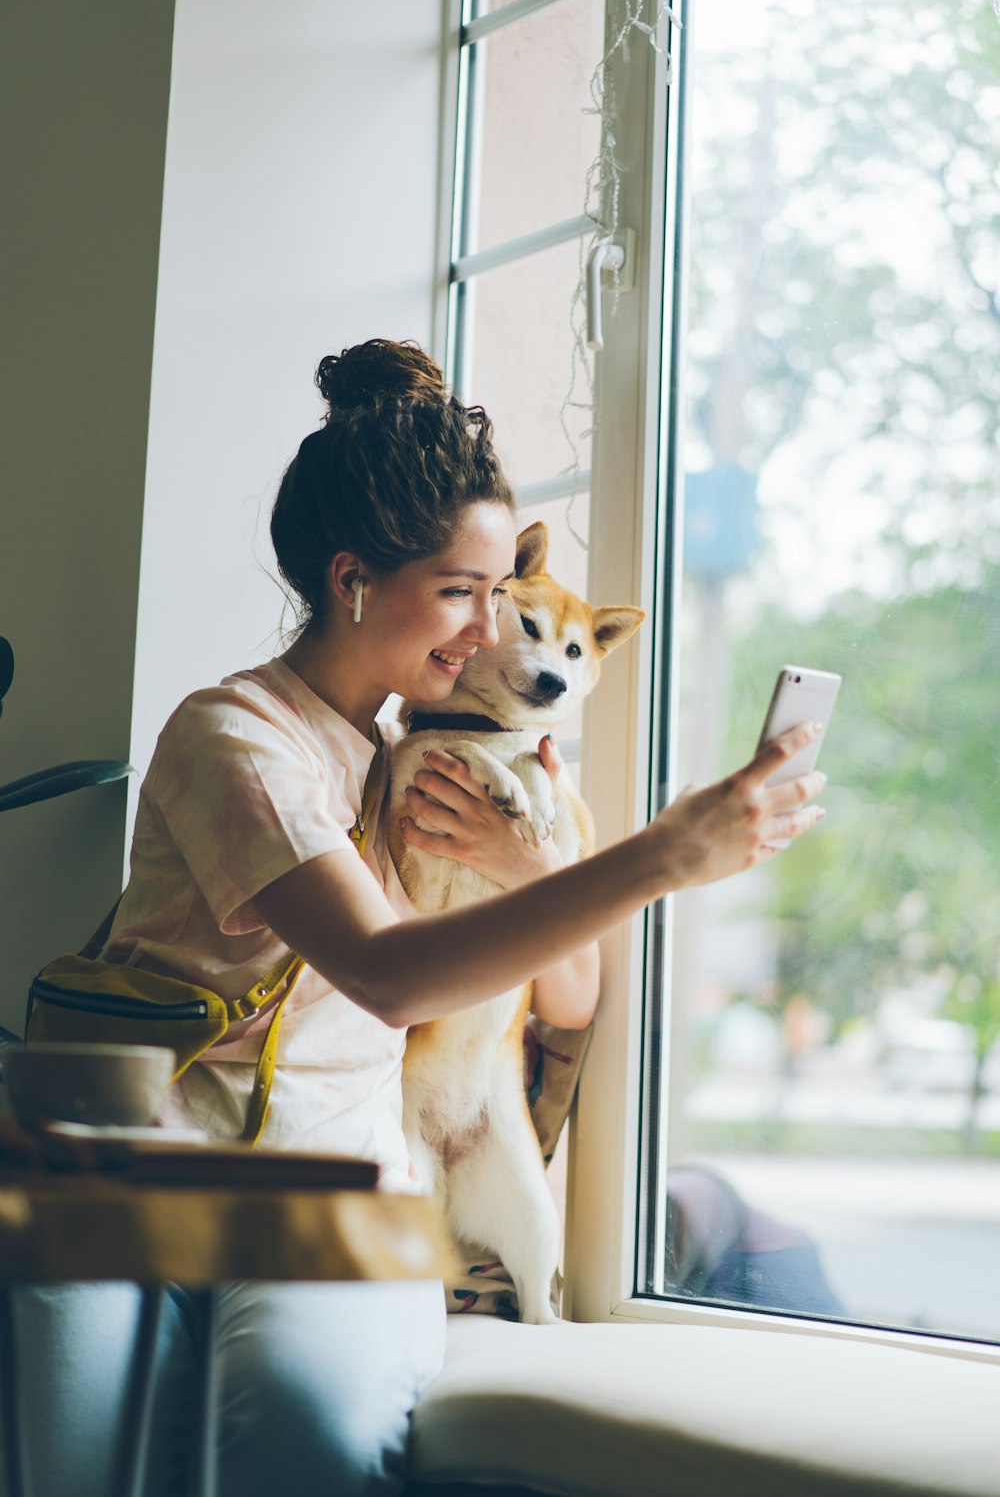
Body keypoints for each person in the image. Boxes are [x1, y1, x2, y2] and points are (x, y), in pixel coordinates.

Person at [10, 339, 826, 1497]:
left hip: (338, 1173)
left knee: (312, 1443)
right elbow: (388, 972)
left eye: (498, 596)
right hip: (131, 1159)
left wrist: (531, 853)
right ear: (351, 579)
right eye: (461, 592)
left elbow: (565, 1002)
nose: (489, 631)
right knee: (82, 1471)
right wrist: (665, 855)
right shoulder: (235, 736)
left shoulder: (414, 762)